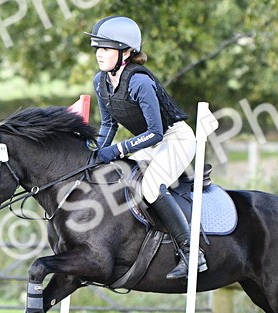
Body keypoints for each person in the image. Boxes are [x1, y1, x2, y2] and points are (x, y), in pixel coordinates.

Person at [85, 15, 207, 279]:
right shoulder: (101, 81)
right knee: (120, 177)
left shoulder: (139, 81)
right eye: (98, 48)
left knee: (150, 188)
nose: (99, 54)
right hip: (149, 141)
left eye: (106, 48)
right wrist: (95, 155)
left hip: (175, 138)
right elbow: (108, 124)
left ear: (126, 52)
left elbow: (156, 132)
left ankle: (192, 252)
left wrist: (117, 150)